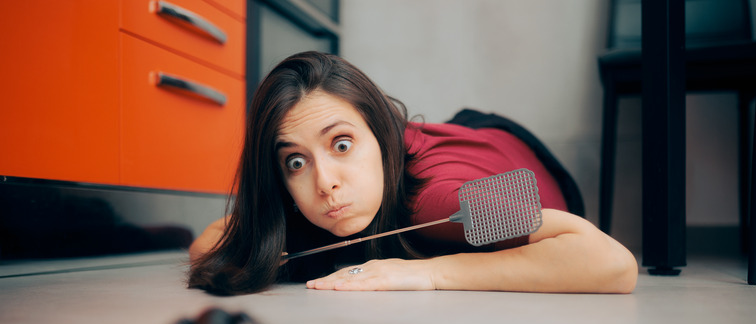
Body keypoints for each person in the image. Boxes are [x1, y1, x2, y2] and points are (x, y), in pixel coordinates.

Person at [188, 51, 637, 296]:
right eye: (296, 161)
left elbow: (613, 264)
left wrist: (430, 274)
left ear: (382, 139)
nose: (324, 183)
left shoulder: (440, 201)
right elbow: (210, 242)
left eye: (341, 145)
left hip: (501, 146)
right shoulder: (318, 196)